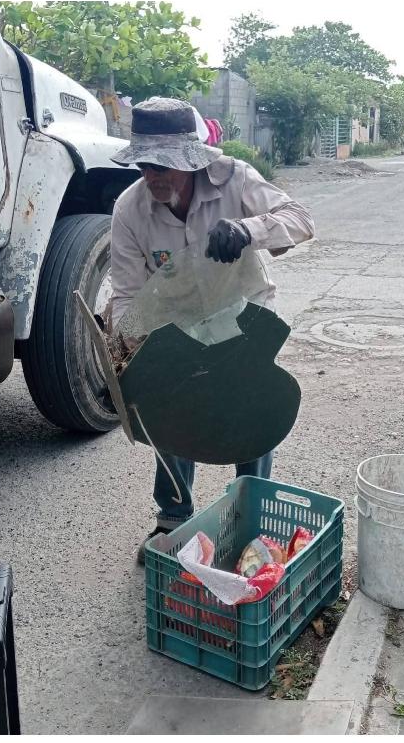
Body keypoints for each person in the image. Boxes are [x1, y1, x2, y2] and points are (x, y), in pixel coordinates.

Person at [107, 97, 316, 563]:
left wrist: (248, 230)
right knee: (169, 407)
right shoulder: (129, 209)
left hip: (241, 312)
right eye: (145, 164)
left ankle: (252, 512)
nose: (154, 175)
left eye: (164, 165)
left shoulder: (234, 178)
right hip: (176, 322)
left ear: (190, 159)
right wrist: (125, 359)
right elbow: (126, 294)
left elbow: (301, 220)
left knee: (249, 409)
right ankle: (173, 517)